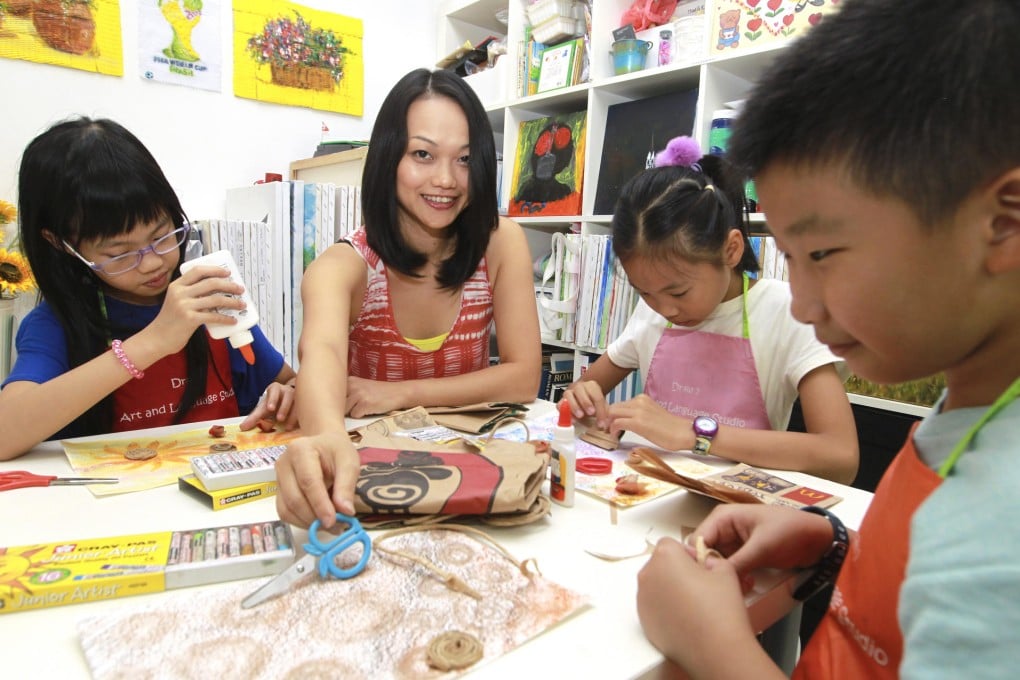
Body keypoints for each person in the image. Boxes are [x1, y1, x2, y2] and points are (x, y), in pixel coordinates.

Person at [635, 0, 1020, 677]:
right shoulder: (976, 401)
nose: (806, 307)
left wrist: (713, 648)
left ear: (1004, 222)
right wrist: (837, 543)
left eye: (824, 253)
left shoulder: (1001, 533)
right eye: (786, 255)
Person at [275, 68, 541, 529]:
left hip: (475, 477)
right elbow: (321, 351)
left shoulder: (501, 244)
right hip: (374, 484)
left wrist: (398, 393)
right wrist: (324, 440)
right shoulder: (343, 266)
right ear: (387, 160)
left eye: (464, 159)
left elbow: (522, 380)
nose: (447, 180)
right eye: (422, 154)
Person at [562, 135, 858, 483]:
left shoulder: (786, 312)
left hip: (741, 510)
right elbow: (576, 398)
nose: (665, 309)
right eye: (644, 292)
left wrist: (696, 434)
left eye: (679, 290)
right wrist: (580, 400)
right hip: (647, 493)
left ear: (731, 250)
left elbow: (840, 457)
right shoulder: (654, 311)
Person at [0, 117, 296, 461]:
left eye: (161, 236)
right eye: (120, 253)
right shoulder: (54, 324)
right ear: (62, 245)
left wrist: (287, 394)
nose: (153, 262)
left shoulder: (208, 298)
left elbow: (287, 382)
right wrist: (152, 342)